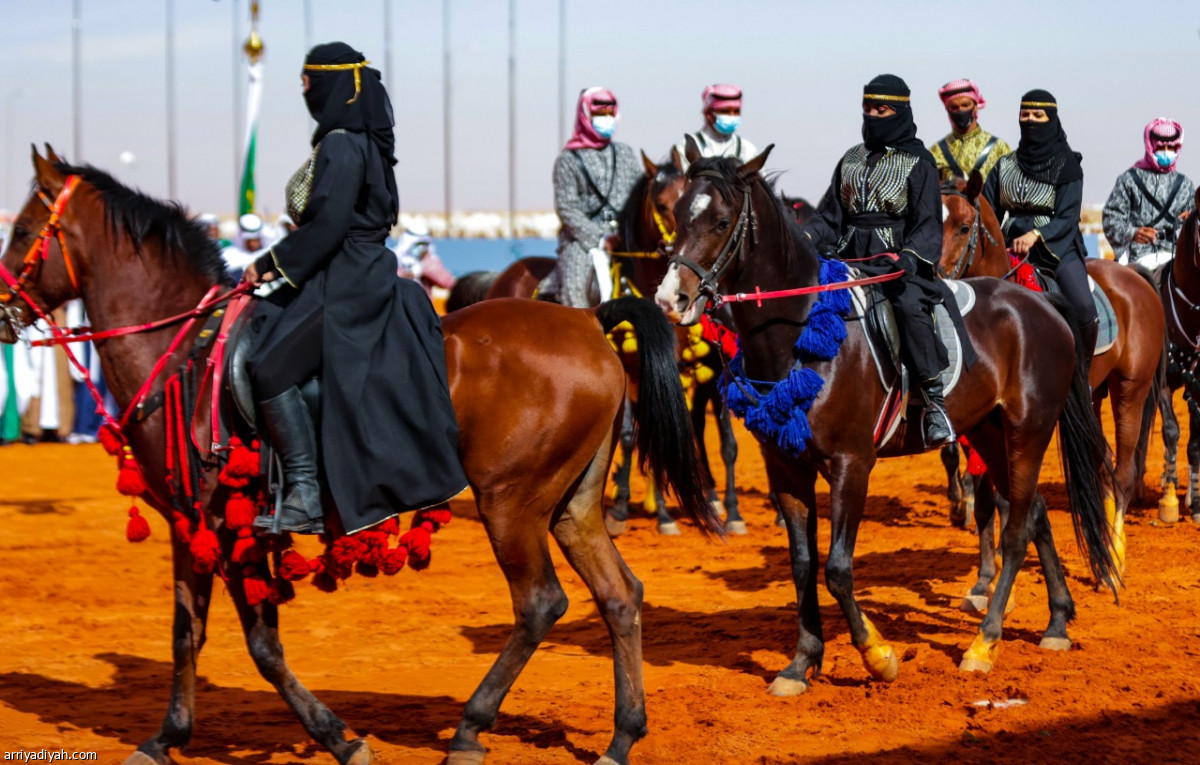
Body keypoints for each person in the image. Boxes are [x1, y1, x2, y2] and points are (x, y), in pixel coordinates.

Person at [242, 42, 467, 535]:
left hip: (347, 281)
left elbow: (327, 227)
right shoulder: (363, 142)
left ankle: (304, 494)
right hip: (351, 270)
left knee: (268, 370)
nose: (304, 91)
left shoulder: (343, 143)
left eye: (309, 83)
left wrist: (267, 264)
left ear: (332, 86)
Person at [802, 74, 953, 447]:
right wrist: (805, 236)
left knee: (908, 306)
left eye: (880, 109)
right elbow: (830, 217)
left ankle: (935, 403)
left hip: (898, 263)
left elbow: (928, 223)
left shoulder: (919, 161)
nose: (872, 116)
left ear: (899, 112)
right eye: (867, 109)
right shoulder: (850, 159)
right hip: (849, 258)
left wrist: (910, 258)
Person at [982, 89, 1098, 356]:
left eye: (1038, 114)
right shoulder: (1004, 165)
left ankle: (1083, 376)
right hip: (1010, 248)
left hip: (1058, 247)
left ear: (1052, 119)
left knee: (1083, 307)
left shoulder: (1068, 165)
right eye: (1025, 114)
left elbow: (1068, 217)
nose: (1030, 120)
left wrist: (1036, 234)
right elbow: (989, 213)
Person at [549, 87, 640, 307]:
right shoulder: (568, 159)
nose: (606, 120)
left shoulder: (625, 153)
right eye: (600, 115)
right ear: (585, 116)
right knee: (575, 287)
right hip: (584, 242)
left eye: (610, 114)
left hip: (625, 236)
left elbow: (638, 196)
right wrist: (600, 237)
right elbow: (567, 208)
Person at [1102, 118, 1194, 270]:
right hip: (1136, 256)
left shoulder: (1185, 185)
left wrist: (1189, 219)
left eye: (1170, 148)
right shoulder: (1129, 180)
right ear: (1150, 146)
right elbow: (1110, 220)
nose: (1166, 152)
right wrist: (1132, 233)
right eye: (1161, 147)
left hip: (1175, 256)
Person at [929, 79, 1011, 183]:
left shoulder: (999, 148)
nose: (960, 110)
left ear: (976, 107)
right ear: (947, 110)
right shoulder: (936, 152)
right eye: (954, 107)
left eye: (965, 105)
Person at [673, 84, 759, 170]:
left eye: (736, 111)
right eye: (725, 111)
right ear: (708, 114)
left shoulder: (748, 150)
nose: (732, 116)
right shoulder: (685, 147)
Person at [394, 223, 456, 296]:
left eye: (424, 244)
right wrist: (410, 273)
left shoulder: (431, 260)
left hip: (422, 305)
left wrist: (424, 267)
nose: (421, 248)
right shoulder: (394, 258)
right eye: (418, 244)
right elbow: (388, 280)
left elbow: (449, 283)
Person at [221, 213, 265, 279]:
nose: (252, 244)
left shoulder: (270, 253)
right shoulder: (229, 255)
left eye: (255, 240)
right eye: (249, 241)